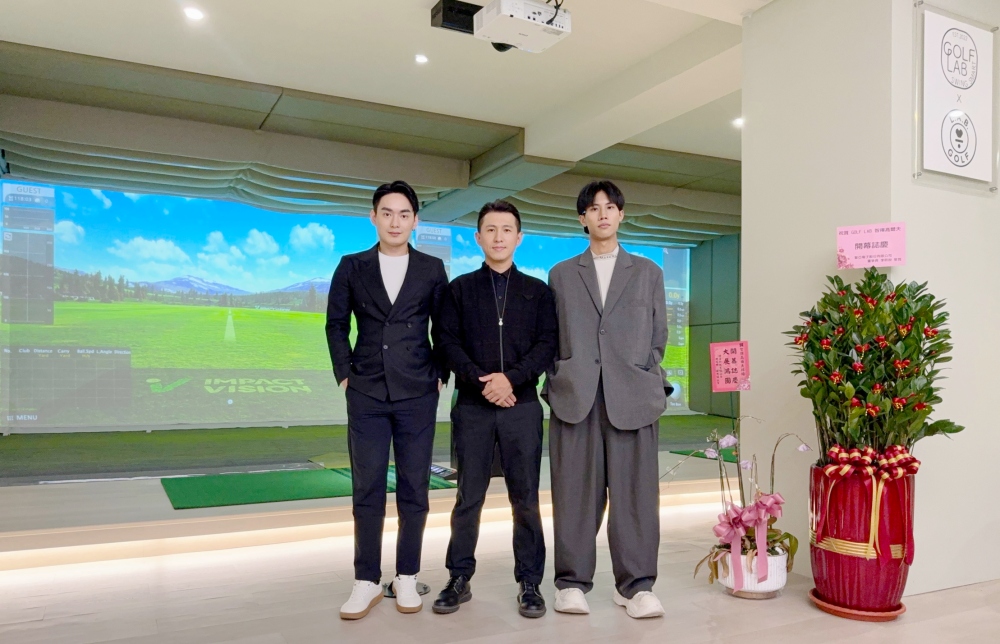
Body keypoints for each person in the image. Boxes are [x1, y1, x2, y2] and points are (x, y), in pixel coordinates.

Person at [543, 180, 671, 619]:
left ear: (621, 214)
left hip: (633, 398)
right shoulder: (562, 274)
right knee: (574, 494)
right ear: (582, 218)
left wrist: (643, 374)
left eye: (610, 207)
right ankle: (571, 583)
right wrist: (559, 377)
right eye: (593, 208)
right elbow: (553, 335)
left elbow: (658, 336)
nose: (602, 214)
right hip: (576, 397)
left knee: (637, 497)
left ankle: (636, 587)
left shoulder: (648, 272)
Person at [326, 180, 449, 620]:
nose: (395, 222)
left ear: (415, 221)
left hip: (418, 392)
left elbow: (444, 327)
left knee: (415, 487)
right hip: (367, 392)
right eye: (387, 213)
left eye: (404, 214)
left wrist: (440, 375)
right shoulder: (352, 265)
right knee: (368, 486)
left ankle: (407, 576)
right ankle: (365, 580)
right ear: (374, 217)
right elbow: (336, 325)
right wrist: (345, 376)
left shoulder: (432, 268)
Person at [432, 200, 557, 618]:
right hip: (473, 406)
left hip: (522, 406)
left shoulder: (538, 292)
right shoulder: (459, 289)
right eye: (490, 229)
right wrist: (483, 382)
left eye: (506, 230)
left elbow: (547, 344)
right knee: (469, 497)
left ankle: (530, 582)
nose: (498, 237)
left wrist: (512, 379)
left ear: (519, 238)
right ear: (478, 237)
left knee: (526, 499)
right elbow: (446, 342)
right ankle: (458, 577)